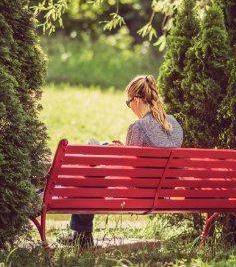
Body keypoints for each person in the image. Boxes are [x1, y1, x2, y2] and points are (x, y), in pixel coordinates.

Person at [60, 75, 183, 248]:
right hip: (163, 193)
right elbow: (147, 157)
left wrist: (110, 154)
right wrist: (123, 148)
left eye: (129, 102)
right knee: (95, 169)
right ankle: (81, 235)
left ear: (137, 100)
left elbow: (129, 170)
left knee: (92, 174)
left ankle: (82, 235)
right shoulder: (174, 124)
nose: (130, 107)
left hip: (137, 195)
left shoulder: (138, 127)